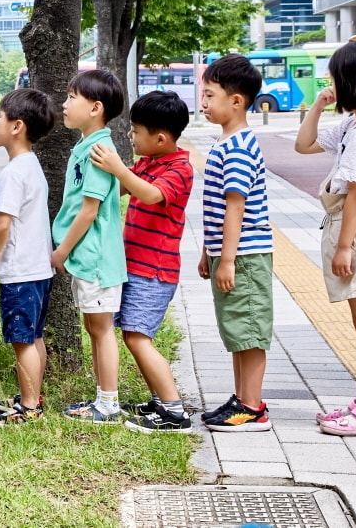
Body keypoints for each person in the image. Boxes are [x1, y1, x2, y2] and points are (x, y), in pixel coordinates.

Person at [294, 37, 356, 437]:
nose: (330, 83)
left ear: (353, 80)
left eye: (334, 77)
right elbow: (303, 145)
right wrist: (319, 105)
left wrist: (343, 248)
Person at [89, 90, 195, 433]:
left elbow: (150, 194)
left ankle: (175, 412)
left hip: (155, 271)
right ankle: (160, 400)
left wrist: (118, 168)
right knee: (132, 334)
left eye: (135, 131)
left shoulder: (180, 168)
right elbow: (121, 188)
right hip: (134, 266)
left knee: (137, 336)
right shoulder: (148, 162)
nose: (130, 136)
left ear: (160, 138)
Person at [198, 54, 273, 432]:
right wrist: (208, 252)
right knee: (237, 329)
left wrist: (226, 259)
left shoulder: (239, 147)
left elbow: (235, 207)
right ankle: (242, 398)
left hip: (244, 255)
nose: (203, 102)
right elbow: (218, 208)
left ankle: (253, 407)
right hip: (229, 253)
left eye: (210, 95)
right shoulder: (226, 142)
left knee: (250, 329)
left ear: (237, 101)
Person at [53, 69, 127, 422]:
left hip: (95, 258)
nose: (65, 104)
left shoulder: (99, 150)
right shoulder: (87, 146)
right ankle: (101, 398)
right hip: (87, 257)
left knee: (101, 329)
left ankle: (109, 403)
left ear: (95, 108)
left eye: (72, 98)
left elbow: (88, 210)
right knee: (94, 328)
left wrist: (61, 251)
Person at [0, 88, 59, 425]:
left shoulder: (13, 172)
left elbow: (2, 225)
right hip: (38, 269)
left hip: (20, 271)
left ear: (17, 126)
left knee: (21, 341)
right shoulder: (31, 165)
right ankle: (32, 397)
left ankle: (29, 408)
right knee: (34, 336)